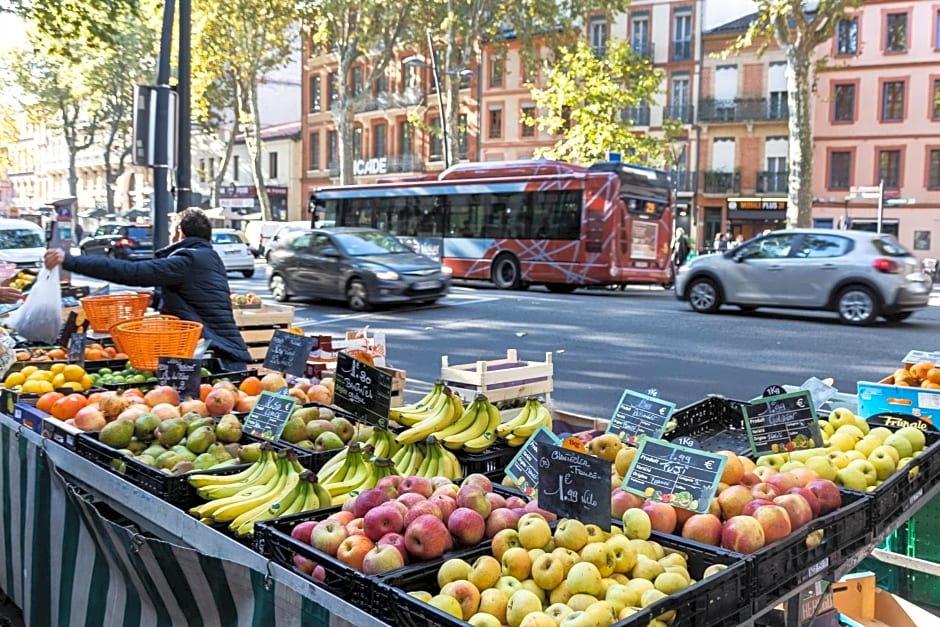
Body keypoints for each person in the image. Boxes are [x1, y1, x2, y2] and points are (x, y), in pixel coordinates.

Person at [44, 208, 251, 371]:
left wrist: (69, 261)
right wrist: (158, 298)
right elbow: (196, 296)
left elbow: (132, 272)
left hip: (216, 354)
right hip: (215, 350)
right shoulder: (206, 257)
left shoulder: (187, 259)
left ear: (180, 232)